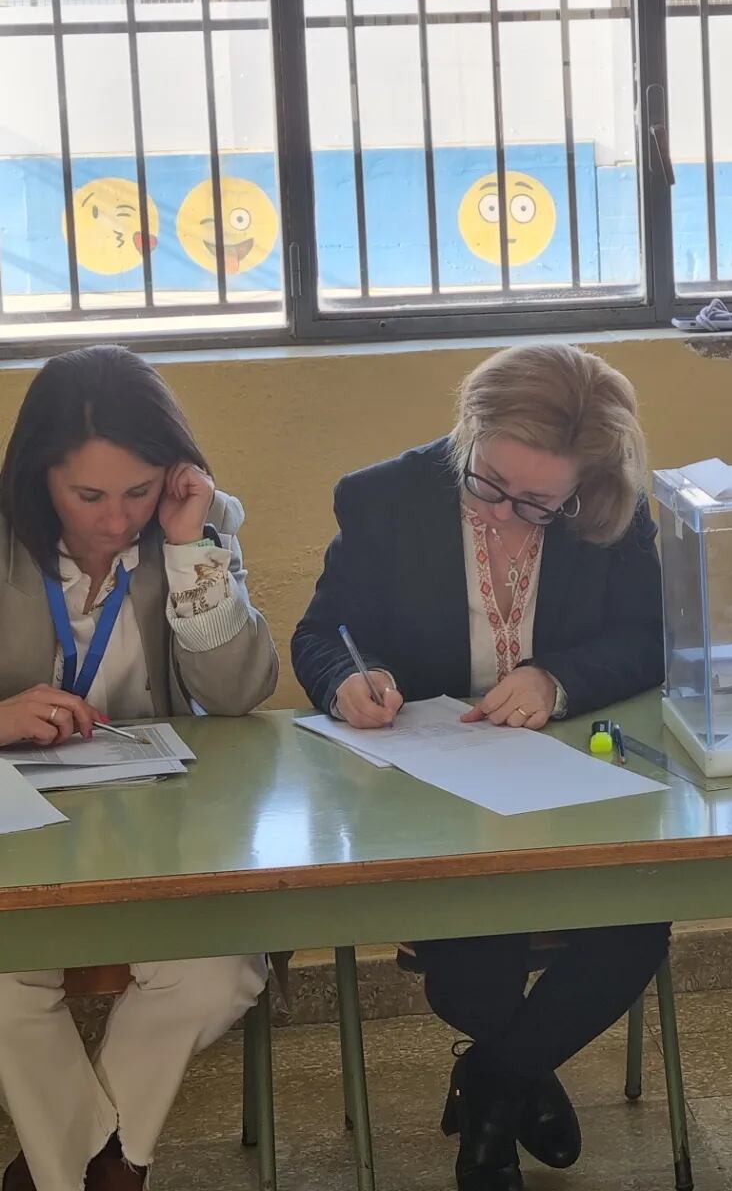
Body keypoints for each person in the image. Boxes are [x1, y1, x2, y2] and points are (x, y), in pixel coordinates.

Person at [292, 343, 670, 1191]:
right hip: (429, 791)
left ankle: (494, 1080)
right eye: (488, 484)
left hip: (574, 789)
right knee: (473, 950)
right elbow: (322, 634)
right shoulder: (383, 499)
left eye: (537, 504)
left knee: (638, 925)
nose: (504, 514)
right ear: (468, 430)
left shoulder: (610, 510)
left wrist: (556, 679)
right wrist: (348, 680)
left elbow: (648, 638)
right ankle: (513, 1082)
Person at [0, 345, 277, 1191]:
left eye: (140, 491)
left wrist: (190, 547)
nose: (119, 520)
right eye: (89, 496)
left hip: (155, 825)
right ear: (40, 478)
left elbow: (237, 696)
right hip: (17, 834)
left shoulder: (198, 522)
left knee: (220, 972)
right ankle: (105, 1170)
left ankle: (78, 1165)